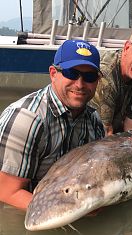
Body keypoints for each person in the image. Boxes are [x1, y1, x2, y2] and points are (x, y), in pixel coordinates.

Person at [0, 39, 105, 210]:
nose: (79, 84)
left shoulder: (94, 121)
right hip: (19, 214)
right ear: (53, 73)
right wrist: (71, 211)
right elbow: (6, 192)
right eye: (71, 73)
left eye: (89, 76)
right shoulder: (26, 119)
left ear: (98, 81)